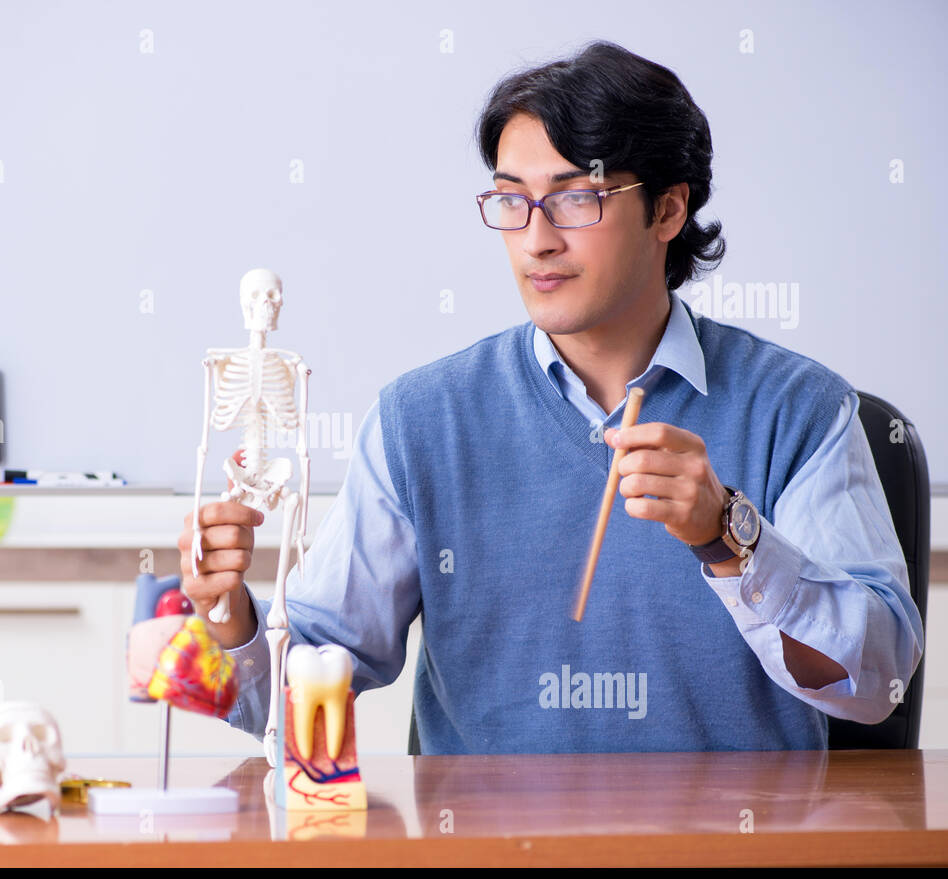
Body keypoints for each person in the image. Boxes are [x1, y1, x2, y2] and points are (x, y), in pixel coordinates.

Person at [177, 40, 923, 754]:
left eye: (575, 200)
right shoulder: (421, 421)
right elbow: (282, 696)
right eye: (511, 200)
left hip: (734, 846)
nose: (536, 240)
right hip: (486, 850)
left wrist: (728, 535)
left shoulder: (799, 409)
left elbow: (875, 684)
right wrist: (231, 613)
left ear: (667, 210)